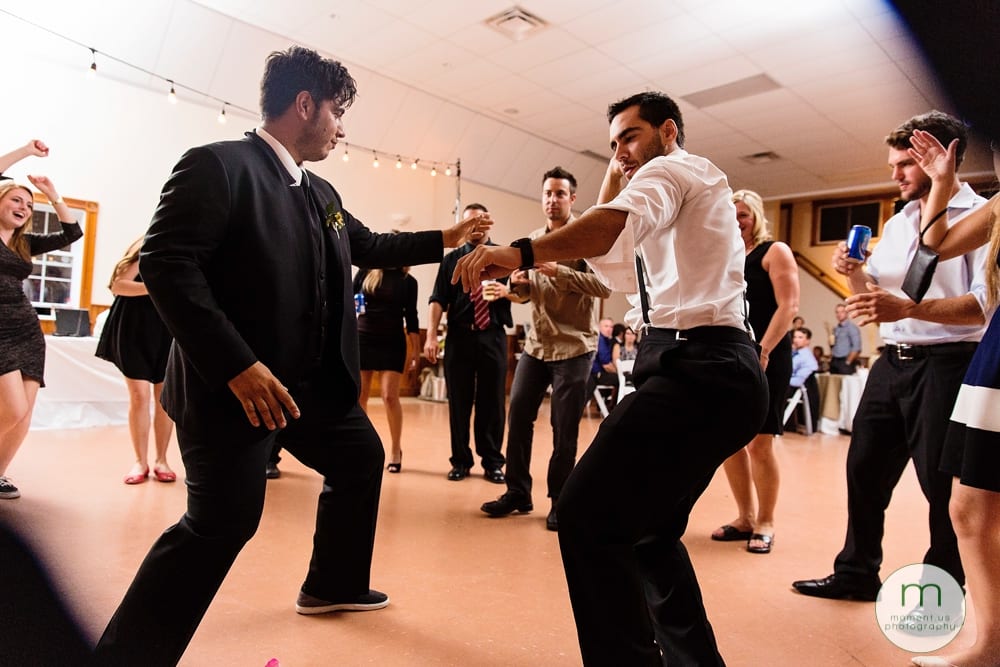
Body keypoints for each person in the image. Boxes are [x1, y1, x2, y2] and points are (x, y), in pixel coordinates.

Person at [93, 46, 490, 666]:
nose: (341, 127)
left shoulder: (321, 191)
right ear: (304, 105)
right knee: (221, 525)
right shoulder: (216, 166)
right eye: (337, 112)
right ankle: (126, 655)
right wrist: (235, 365)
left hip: (310, 392)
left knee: (361, 457)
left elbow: (371, 244)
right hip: (234, 392)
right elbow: (167, 265)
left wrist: (453, 237)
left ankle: (331, 585)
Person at [453, 91, 768, 666]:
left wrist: (517, 252)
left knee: (583, 516)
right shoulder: (659, 206)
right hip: (694, 370)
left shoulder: (678, 169)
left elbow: (606, 226)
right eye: (613, 143)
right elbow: (608, 250)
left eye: (629, 136)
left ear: (668, 131)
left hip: (703, 368)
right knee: (648, 535)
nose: (621, 151)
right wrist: (618, 165)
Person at [792, 110, 989, 603]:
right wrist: (853, 272)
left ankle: (942, 585)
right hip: (891, 361)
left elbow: (983, 308)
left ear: (944, 159)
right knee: (863, 471)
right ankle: (856, 573)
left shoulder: (980, 216)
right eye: (893, 164)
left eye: (905, 164)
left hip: (949, 364)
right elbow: (874, 300)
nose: (895, 174)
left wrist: (909, 306)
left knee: (939, 486)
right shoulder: (899, 222)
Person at [906, 128, 1000, 667]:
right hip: (998, 353)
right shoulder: (999, 209)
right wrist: (941, 182)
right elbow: (935, 245)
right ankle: (990, 642)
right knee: (968, 508)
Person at [480, 166, 611, 531]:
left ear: (572, 198)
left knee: (563, 428)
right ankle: (518, 492)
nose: (552, 200)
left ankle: (561, 502)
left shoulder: (587, 237)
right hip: (536, 346)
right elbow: (527, 295)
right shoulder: (532, 241)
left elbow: (604, 288)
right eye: (547, 194)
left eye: (559, 194)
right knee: (519, 418)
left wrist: (558, 271)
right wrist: (518, 286)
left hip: (575, 348)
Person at [711, 188, 798, 555]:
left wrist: (763, 350)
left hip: (767, 355)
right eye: (731, 214)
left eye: (743, 214)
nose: (737, 220)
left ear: (757, 216)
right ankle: (744, 517)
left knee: (760, 443)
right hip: (730, 355)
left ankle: (765, 521)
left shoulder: (773, 251)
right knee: (729, 441)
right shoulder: (725, 256)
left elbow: (788, 305)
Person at [0, 140, 81, 500]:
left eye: (29, 204)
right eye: (16, 199)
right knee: (11, 408)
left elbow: (71, 233)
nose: (24, 207)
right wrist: (24, 152)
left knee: (24, 414)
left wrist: (51, 192)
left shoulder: (23, 243)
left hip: (27, 332)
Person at [423, 203, 511, 484]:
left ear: (488, 224)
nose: (473, 228)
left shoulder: (505, 256)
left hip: (493, 335)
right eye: (468, 224)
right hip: (459, 336)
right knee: (459, 402)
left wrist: (508, 292)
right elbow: (438, 298)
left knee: (493, 402)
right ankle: (460, 460)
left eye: (479, 222)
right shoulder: (451, 260)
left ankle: (493, 462)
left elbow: (524, 292)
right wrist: (431, 336)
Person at [95, 236, 176, 485]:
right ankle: (140, 461)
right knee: (139, 395)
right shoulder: (148, 244)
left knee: (164, 398)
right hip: (134, 326)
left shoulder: (187, 248)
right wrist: (156, 287)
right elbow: (118, 285)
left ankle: (162, 459)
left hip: (167, 327)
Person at [353, 265, 419, 472]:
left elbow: (412, 316)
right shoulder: (366, 272)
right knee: (360, 396)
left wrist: (416, 351)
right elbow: (351, 301)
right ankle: (362, 448)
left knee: (389, 396)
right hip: (363, 338)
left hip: (392, 342)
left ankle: (395, 450)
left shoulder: (408, 281)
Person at [786, 326, 820, 433]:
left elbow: (798, 381)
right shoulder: (794, 352)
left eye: (800, 337)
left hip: (801, 387)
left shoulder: (806, 357)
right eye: (795, 337)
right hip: (792, 383)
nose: (796, 339)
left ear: (807, 341)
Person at [588, 316, 617, 410]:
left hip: (596, 374)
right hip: (597, 375)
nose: (609, 329)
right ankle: (613, 408)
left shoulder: (606, 340)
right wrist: (619, 373)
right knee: (623, 380)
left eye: (611, 327)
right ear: (600, 327)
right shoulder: (600, 340)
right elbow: (607, 366)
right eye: (606, 326)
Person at [829, 302, 862, 374]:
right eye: (837, 312)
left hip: (845, 361)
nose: (839, 314)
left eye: (842, 312)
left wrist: (848, 362)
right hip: (835, 360)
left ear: (847, 313)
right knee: (833, 383)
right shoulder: (836, 328)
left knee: (844, 384)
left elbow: (856, 347)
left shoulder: (852, 328)